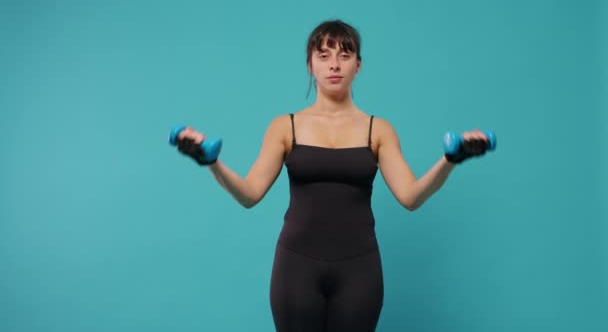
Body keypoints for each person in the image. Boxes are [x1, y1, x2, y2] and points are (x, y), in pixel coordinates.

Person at [175, 20, 489, 332]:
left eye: (344, 55)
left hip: (359, 271)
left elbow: (410, 196)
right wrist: (211, 162)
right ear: (310, 65)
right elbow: (249, 193)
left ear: (358, 65)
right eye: (324, 56)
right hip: (296, 268)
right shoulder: (286, 126)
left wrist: (451, 159)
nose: (334, 65)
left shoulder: (378, 130)